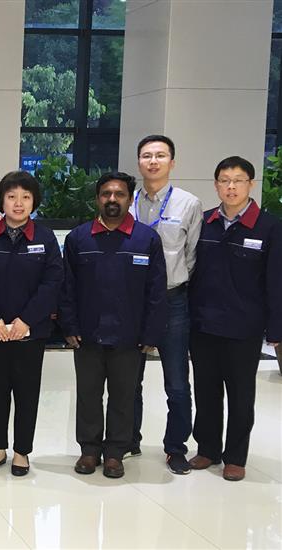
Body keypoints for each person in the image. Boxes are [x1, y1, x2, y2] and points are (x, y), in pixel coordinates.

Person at [60, 172, 167, 479]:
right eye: (106, 194)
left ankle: (115, 453)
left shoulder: (147, 239)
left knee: (123, 396)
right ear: (97, 199)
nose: (112, 199)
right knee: (88, 395)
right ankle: (89, 450)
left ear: (129, 199)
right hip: (87, 334)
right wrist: (69, 327)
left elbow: (156, 291)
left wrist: (151, 333)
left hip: (129, 336)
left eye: (119, 194)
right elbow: (66, 288)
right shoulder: (79, 238)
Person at [188, 156, 281, 481]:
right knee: (206, 391)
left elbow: (276, 282)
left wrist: (276, 330)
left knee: (241, 395)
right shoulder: (205, 222)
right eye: (224, 181)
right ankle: (208, 449)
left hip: (244, 328)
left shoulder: (269, 227)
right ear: (216, 186)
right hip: (204, 324)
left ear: (250, 184)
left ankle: (235, 457)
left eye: (238, 180)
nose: (231, 187)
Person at [0, 171, 63, 477]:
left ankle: (22, 451)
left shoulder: (45, 238)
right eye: (11, 196)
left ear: (33, 201)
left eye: (25, 197)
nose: (18, 203)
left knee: (27, 392)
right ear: (1, 201)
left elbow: (52, 283)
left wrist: (26, 320)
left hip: (31, 331)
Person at [130, 135, 203, 475]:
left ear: (172, 162)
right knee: (129, 378)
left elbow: (193, 256)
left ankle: (176, 447)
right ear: (139, 162)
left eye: (160, 155)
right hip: (133, 302)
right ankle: (128, 439)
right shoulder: (126, 201)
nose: (153, 161)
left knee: (176, 381)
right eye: (147, 156)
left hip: (173, 300)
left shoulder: (188, 203)